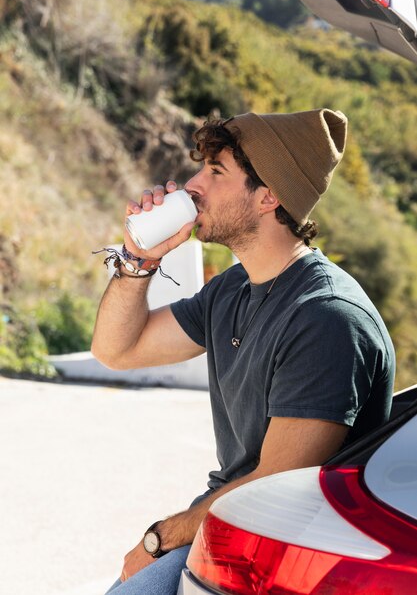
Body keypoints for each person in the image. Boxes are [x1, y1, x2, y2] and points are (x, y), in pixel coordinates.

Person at [91, 108, 395, 595]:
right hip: (227, 533)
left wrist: (157, 539)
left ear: (268, 196)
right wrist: (138, 259)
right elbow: (115, 350)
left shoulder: (327, 319)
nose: (192, 185)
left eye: (215, 172)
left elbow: (271, 486)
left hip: (278, 555)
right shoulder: (233, 288)